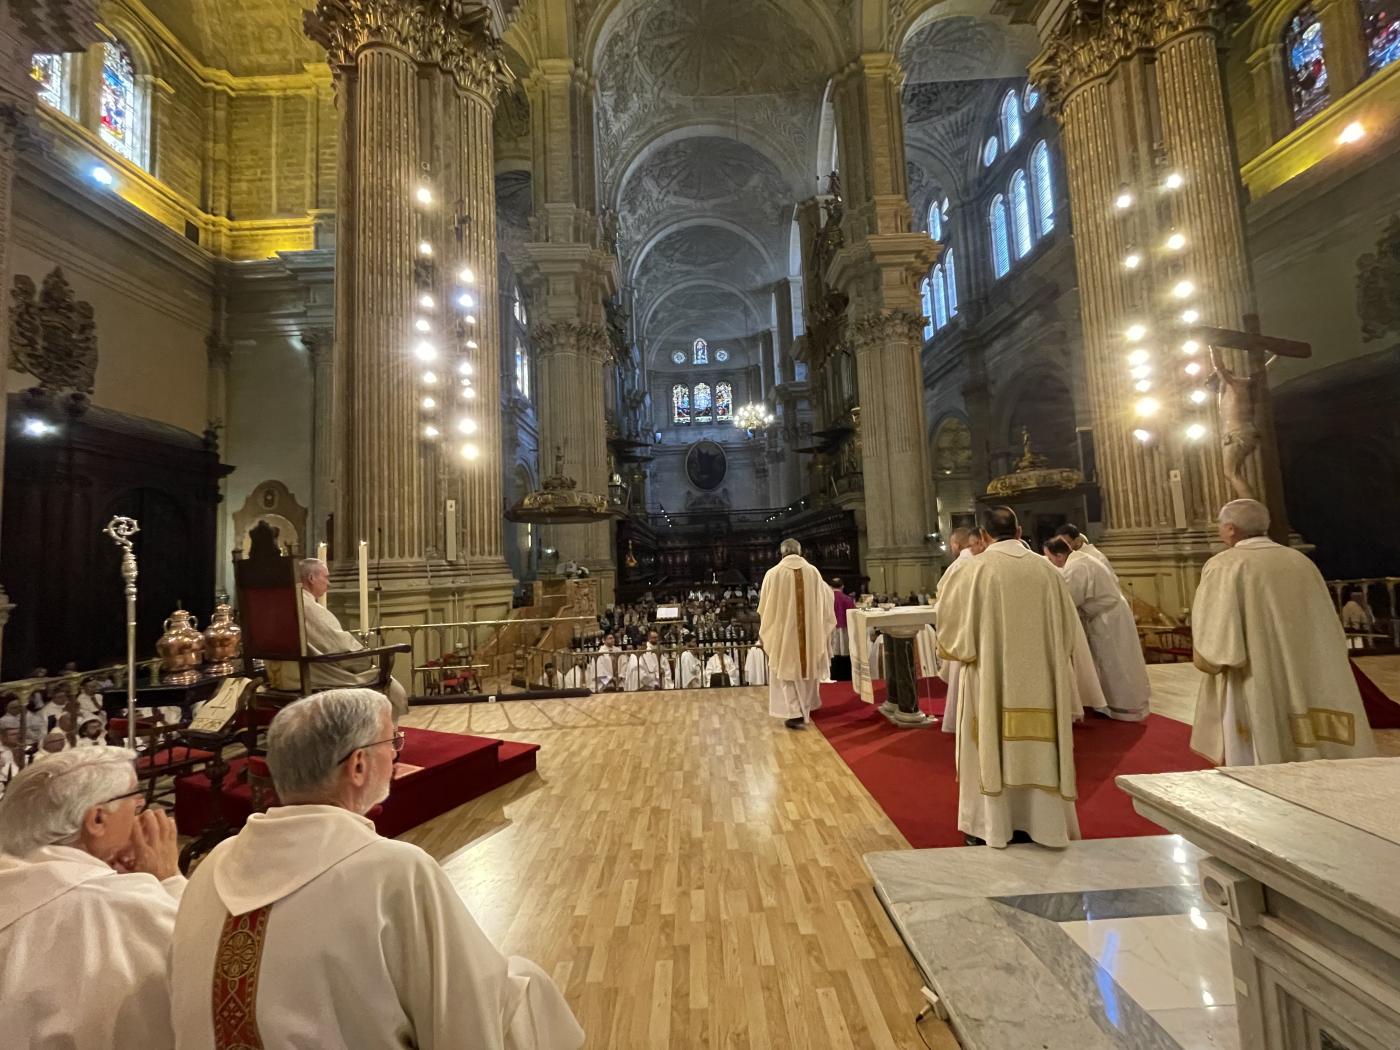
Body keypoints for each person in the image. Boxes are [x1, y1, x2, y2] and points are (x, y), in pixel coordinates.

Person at [169, 689, 584, 1049]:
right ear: (359, 766)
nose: (397, 753)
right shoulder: (395, 873)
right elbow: (467, 1016)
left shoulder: (212, 866)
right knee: (528, 988)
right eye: (393, 742)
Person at [0, 747, 185, 1049]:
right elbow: (209, 969)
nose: (141, 818)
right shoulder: (128, 904)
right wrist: (169, 879)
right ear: (97, 819)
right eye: (136, 806)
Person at [1190, 500, 1377, 765]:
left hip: (1258, 669)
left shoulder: (1225, 565)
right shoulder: (1299, 561)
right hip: (1308, 666)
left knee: (1262, 738)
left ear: (1230, 529)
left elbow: (1217, 631)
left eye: (1221, 526)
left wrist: (1209, 655)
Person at [937, 507, 1081, 848]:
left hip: (990, 683)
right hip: (1043, 684)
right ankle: (1044, 824)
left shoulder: (975, 570)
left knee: (987, 741)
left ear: (983, 536)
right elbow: (1068, 633)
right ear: (1018, 532)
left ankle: (991, 824)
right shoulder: (1047, 570)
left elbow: (953, 635)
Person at [279, 559, 409, 719]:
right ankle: (379, 736)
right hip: (309, 675)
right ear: (312, 578)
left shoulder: (282, 604)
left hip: (280, 677)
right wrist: (365, 658)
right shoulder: (307, 607)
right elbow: (338, 647)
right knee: (388, 683)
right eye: (326, 577)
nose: (329, 583)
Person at [1044, 538, 1150, 721]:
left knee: (1116, 662)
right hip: (1107, 615)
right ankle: (1120, 703)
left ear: (1060, 555)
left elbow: (1070, 599)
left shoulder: (1077, 567)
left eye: (1050, 558)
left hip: (1108, 619)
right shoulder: (1081, 560)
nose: (1051, 562)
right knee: (1116, 661)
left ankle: (1124, 706)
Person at [759, 538, 837, 730]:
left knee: (786, 669)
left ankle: (794, 712)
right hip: (810, 632)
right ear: (800, 552)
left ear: (782, 552)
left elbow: (764, 607)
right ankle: (807, 706)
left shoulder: (773, 574)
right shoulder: (813, 572)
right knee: (809, 667)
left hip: (783, 632)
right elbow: (826, 599)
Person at [934, 527, 985, 737]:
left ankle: (960, 721)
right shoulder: (982, 561)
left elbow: (944, 600)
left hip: (964, 630)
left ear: (956, 544)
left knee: (962, 680)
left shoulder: (959, 565)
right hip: (984, 631)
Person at [829, 577, 856, 681]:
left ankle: (834, 675)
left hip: (831, 629)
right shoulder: (848, 599)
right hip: (845, 629)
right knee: (845, 652)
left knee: (833, 653)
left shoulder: (826, 599)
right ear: (842, 586)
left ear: (830, 587)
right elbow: (854, 614)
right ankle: (845, 676)